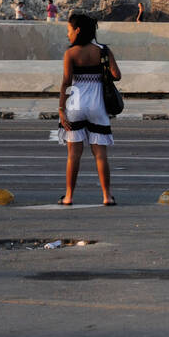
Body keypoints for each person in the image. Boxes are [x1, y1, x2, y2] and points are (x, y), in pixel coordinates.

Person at [57, 13, 121, 206]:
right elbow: (116, 75)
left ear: (77, 30)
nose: (67, 35)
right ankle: (107, 196)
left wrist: (61, 108)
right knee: (100, 155)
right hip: (97, 105)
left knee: (73, 155)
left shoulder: (70, 53)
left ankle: (68, 196)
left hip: (75, 105)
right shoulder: (103, 50)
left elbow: (66, 83)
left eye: (69, 30)